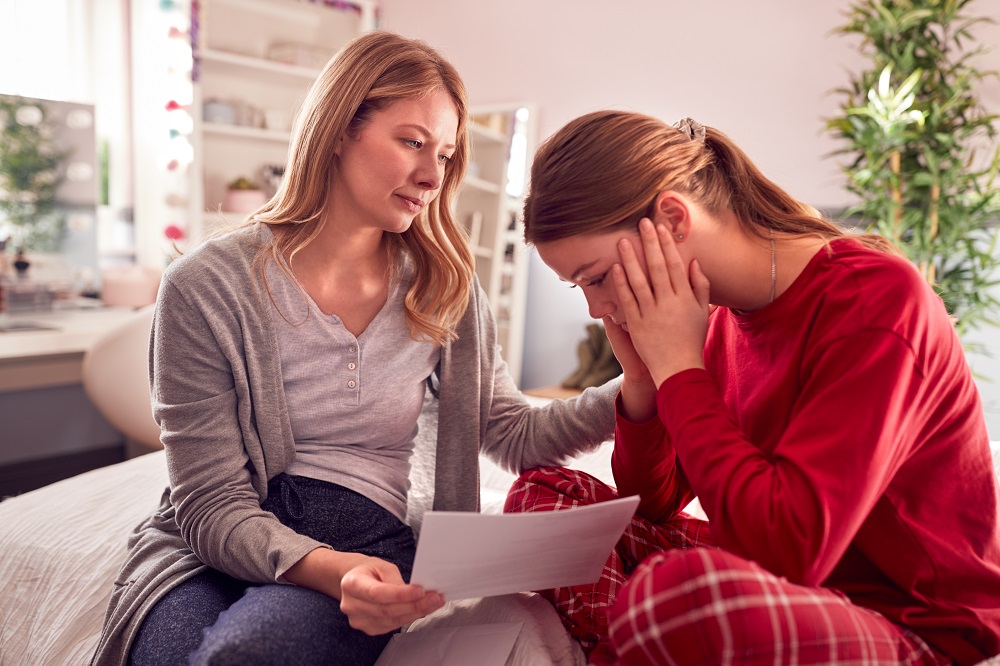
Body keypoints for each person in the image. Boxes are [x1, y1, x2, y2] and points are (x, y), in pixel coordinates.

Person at [90, 32, 620, 666]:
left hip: (363, 534)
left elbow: (509, 431)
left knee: (247, 656)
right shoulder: (205, 285)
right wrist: (318, 567)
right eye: (412, 142)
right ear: (339, 128)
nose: (432, 174)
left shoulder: (444, 286)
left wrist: (639, 387)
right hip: (210, 539)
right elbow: (208, 500)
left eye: (446, 155)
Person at [505, 110, 1000, 665]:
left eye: (595, 277)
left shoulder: (874, 302)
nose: (596, 308)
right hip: (772, 580)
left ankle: (641, 636)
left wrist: (681, 370)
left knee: (681, 592)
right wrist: (645, 382)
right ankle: (634, 642)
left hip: (913, 622)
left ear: (671, 219)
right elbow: (656, 504)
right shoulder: (716, 321)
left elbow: (793, 550)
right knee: (544, 497)